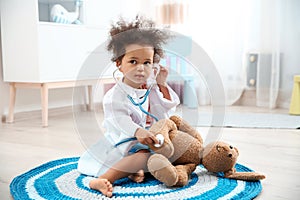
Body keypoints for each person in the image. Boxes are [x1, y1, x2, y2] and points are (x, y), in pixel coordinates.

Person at [77, 16, 180, 197]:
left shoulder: (150, 89)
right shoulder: (114, 96)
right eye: (133, 61)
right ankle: (102, 179)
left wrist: (162, 84)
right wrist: (138, 131)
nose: (141, 68)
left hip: (144, 139)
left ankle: (134, 170)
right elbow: (119, 120)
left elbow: (161, 113)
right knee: (145, 157)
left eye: (147, 62)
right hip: (122, 141)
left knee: (171, 151)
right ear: (119, 64)